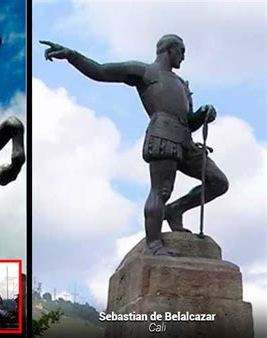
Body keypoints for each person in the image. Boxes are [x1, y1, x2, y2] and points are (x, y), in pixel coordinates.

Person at [41, 35, 228, 256]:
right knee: (161, 190)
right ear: (169, 50)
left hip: (185, 139)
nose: (184, 57)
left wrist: (203, 114)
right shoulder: (146, 72)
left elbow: (189, 121)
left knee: (218, 182)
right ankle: (154, 245)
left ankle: (174, 211)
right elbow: (101, 71)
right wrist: (71, 55)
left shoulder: (181, 84)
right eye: (182, 51)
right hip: (163, 133)